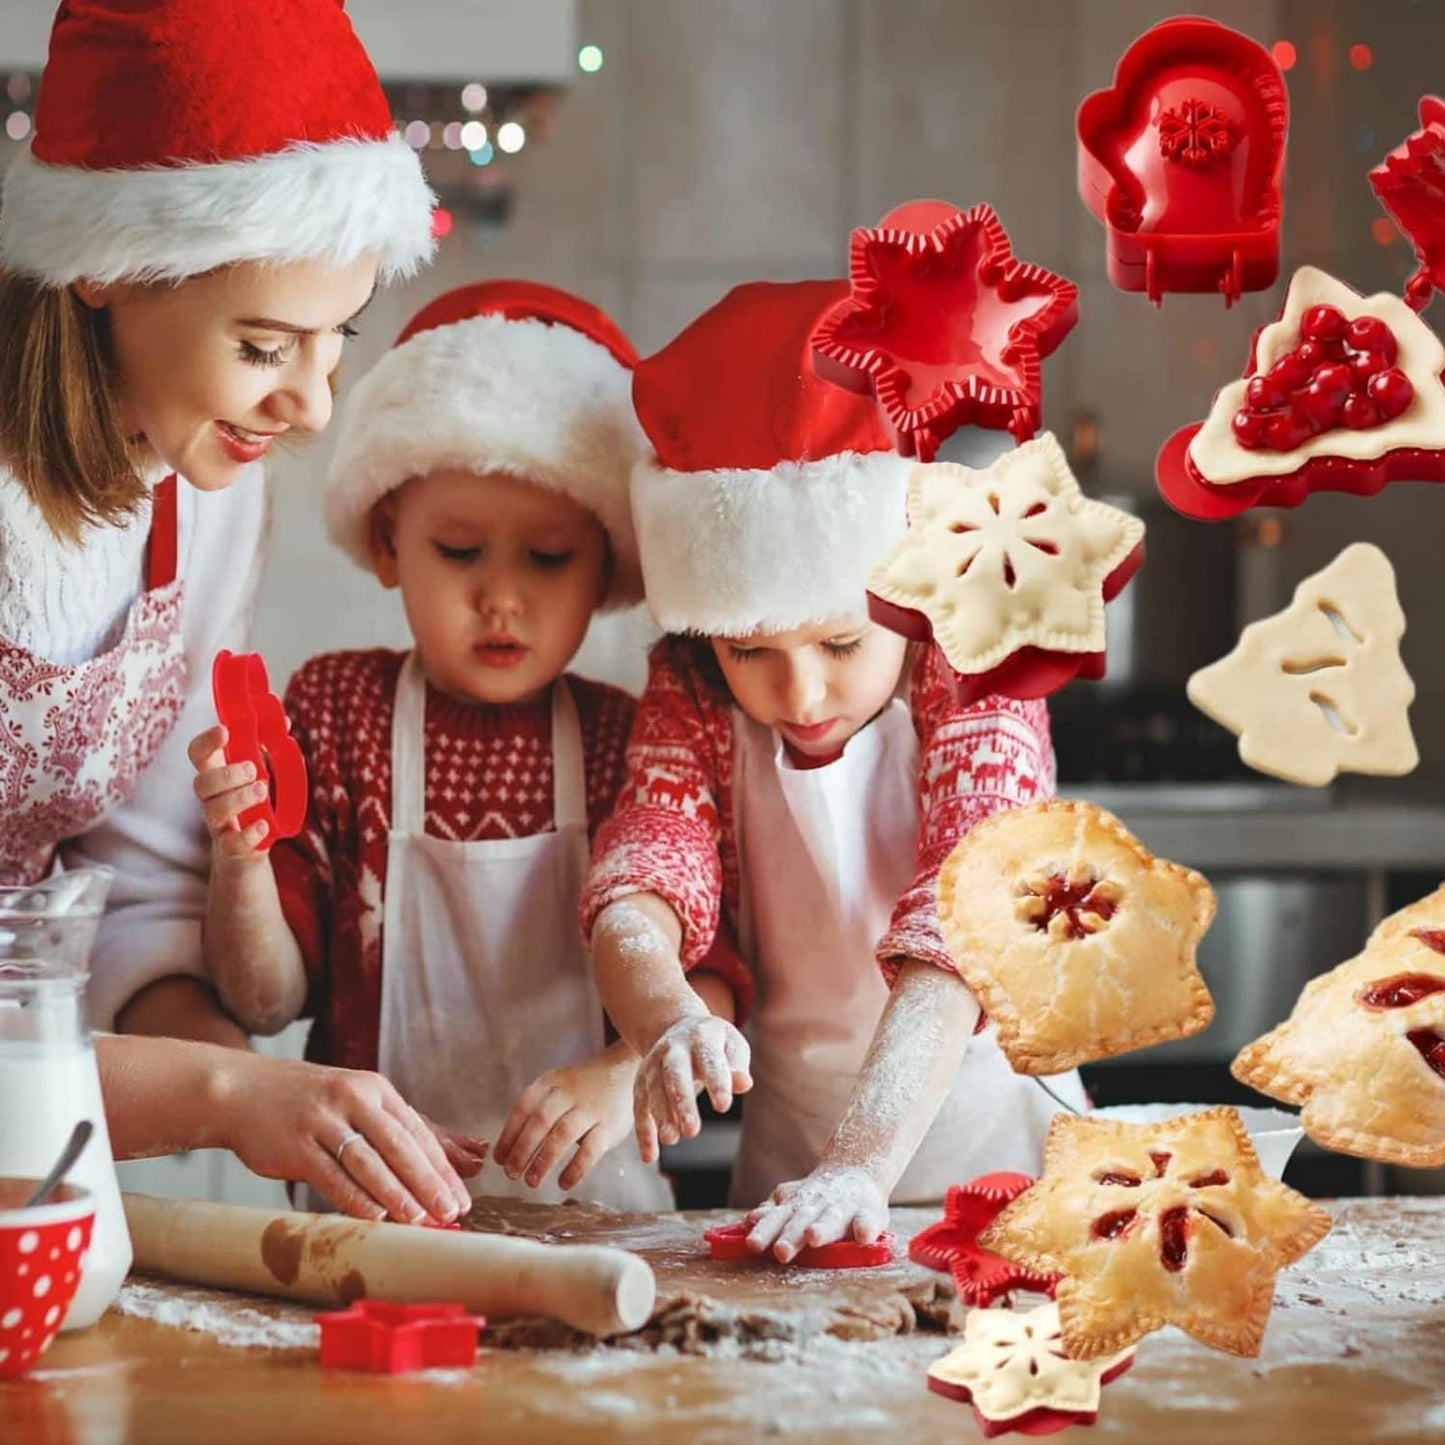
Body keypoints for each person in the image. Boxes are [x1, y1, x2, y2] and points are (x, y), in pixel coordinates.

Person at [0, 0, 466, 1219]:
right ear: (105, 266)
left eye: (334, 342)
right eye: (265, 347)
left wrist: (271, 1090)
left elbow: (138, 891)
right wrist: (216, 1095)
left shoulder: (199, 493)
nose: (312, 406)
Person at [195, 282, 750, 1210]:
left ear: (608, 563)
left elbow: (713, 992)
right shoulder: (336, 711)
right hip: (370, 1216)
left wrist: (624, 1072)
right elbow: (264, 1002)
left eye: (547, 557)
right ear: (387, 542)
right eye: (458, 549)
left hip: (598, 1216)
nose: (503, 596)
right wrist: (241, 862)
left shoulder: (630, 737)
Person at [582, 275, 1087, 1258]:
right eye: (751, 652)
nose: (800, 694)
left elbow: (968, 916)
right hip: (791, 1166)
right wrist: (665, 1019)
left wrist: (860, 1164)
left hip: (997, 1149)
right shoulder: (686, 686)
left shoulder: (983, 668)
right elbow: (647, 866)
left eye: (841, 645)